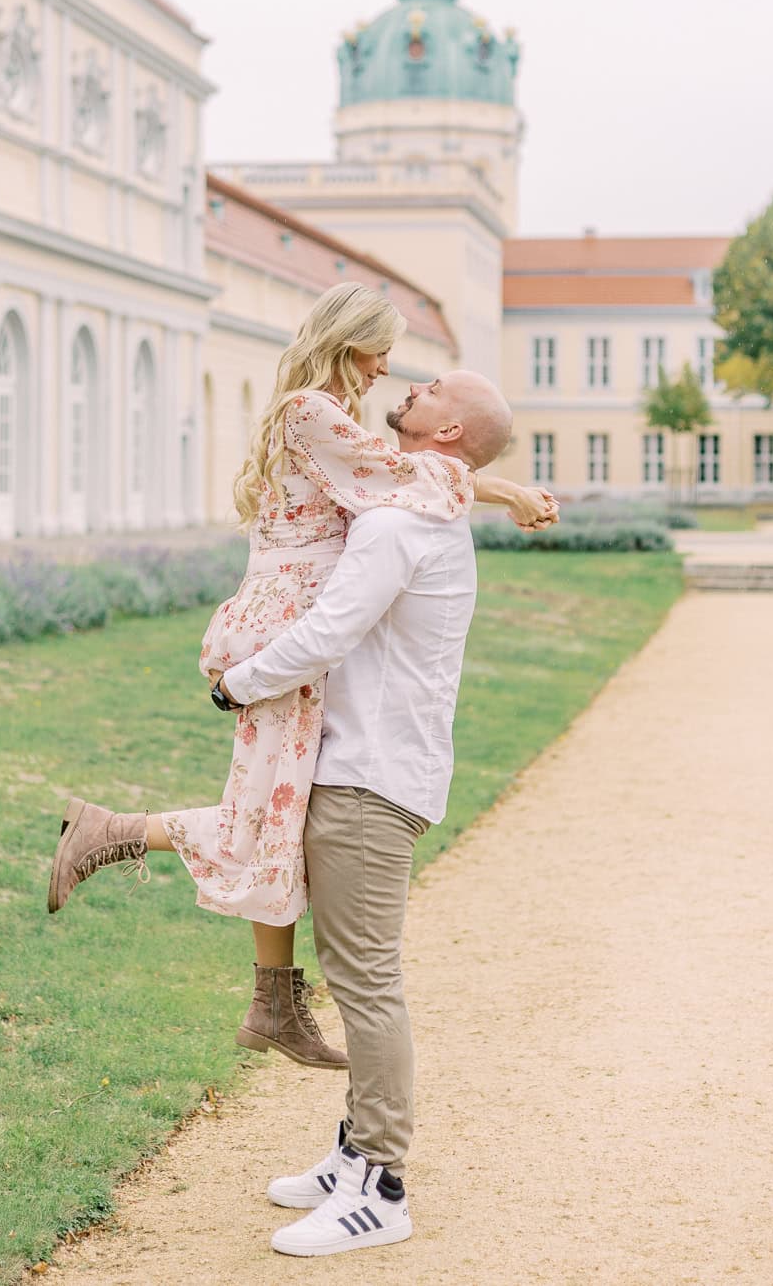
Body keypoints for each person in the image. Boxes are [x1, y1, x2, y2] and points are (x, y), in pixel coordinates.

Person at [47, 285, 556, 1071]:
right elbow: (407, 472)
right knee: (265, 811)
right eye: (379, 349)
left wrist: (500, 489)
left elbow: (413, 469)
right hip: (282, 627)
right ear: (347, 342)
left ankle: (271, 998)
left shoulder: (321, 411)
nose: (387, 367)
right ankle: (115, 839)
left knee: (273, 810)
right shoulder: (312, 412)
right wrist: (509, 489)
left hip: (283, 619)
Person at [213, 369, 515, 1256]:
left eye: (427, 389)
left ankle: (380, 1184)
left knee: (366, 984)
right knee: (357, 974)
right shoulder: (420, 506)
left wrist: (239, 681)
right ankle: (353, 1153)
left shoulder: (396, 522)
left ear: (449, 427)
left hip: (369, 780)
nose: (409, 388)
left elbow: (329, 630)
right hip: (375, 771)